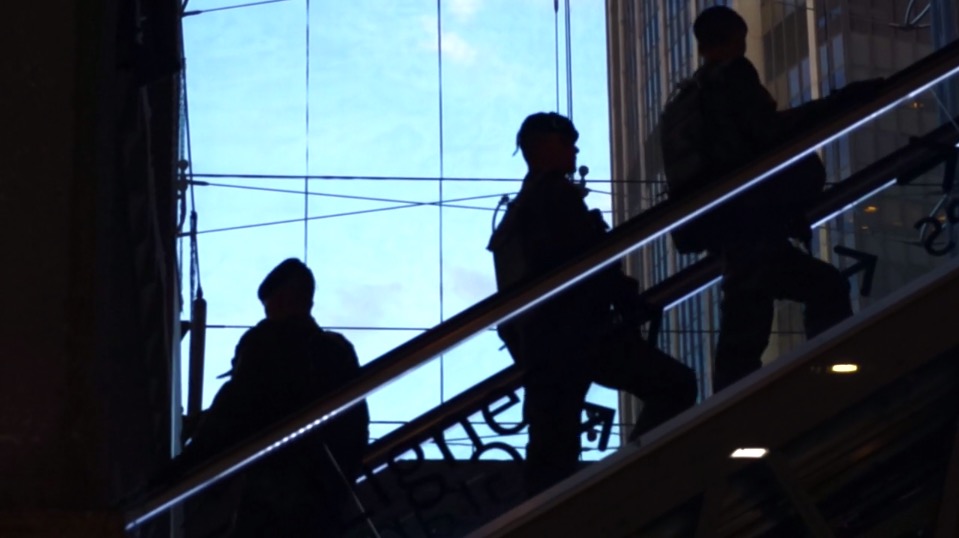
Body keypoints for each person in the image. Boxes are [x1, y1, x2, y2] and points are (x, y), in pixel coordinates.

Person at [488, 112, 698, 497]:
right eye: (567, 142)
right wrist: (628, 298)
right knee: (677, 385)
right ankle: (626, 480)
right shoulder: (555, 197)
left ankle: (553, 514)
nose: (575, 150)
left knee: (551, 449)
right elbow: (587, 260)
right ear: (545, 146)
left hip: (544, 345)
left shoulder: (521, 209)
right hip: (582, 335)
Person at [660, 6, 863, 393]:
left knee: (746, 320)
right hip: (754, 220)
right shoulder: (733, 76)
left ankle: (734, 406)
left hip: (727, 224)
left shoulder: (689, 97)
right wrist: (836, 104)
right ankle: (829, 384)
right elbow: (767, 132)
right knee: (816, 290)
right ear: (737, 38)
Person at [178, 258, 370, 537]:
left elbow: (235, 406)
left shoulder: (265, 342)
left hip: (269, 491)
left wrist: (190, 461)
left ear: (279, 300)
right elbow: (355, 424)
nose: (268, 314)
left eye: (269, 307)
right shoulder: (337, 351)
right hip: (321, 497)